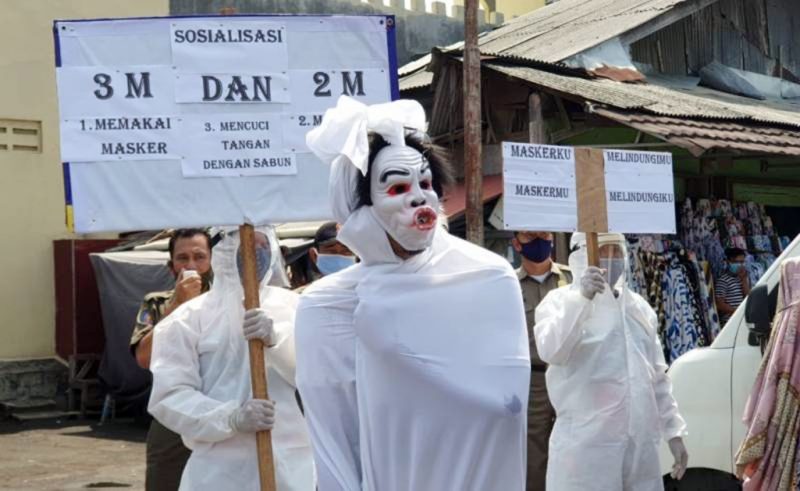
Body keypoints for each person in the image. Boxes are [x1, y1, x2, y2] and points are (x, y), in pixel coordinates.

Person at [296, 96, 530, 490]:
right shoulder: (329, 305)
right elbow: (333, 432)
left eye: (425, 184)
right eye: (398, 187)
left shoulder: (488, 277)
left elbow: (507, 402)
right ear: (360, 209)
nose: (419, 197)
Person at [147, 227, 314, 491]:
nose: (255, 253)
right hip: (218, 470)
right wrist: (231, 418)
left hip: (291, 466)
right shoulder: (187, 319)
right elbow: (168, 397)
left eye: (262, 245)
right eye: (247, 244)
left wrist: (277, 340)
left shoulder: (297, 308)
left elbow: (317, 376)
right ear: (224, 250)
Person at [534, 232, 688, 491]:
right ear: (583, 255)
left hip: (640, 449)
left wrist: (674, 431)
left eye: (617, 252)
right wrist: (581, 300)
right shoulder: (560, 303)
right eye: (603, 251)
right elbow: (552, 350)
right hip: (585, 450)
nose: (611, 259)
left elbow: (658, 378)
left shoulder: (639, 308)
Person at [129, 228, 213, 491]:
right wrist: (177, 304)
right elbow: (143, 358)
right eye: (182, 258)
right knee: (164, 480)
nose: (191, 265)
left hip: (220, 402)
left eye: (199, 257)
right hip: (173, 409)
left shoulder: (226, 301)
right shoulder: (157, 303)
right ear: (171, 266)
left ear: (212, 260)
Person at [512, 231, 571, 491]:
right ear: (516, 244)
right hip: (532, 382)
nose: (538, 240)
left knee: (574, 448)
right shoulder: (509, 284)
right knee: (534, 454)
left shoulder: (572, 279)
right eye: (529, 235)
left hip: (570, 376)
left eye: (544, 234)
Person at [715, 247, 751, 325]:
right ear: (729, 262)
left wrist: (743, 280)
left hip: (742, 320)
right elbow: (720, 304)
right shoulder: (723, 280)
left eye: (742, 262)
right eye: (737, 262)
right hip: (730, 322)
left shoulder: (743, 277)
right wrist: (737, 312)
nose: (740, 265)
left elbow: (748, 298)